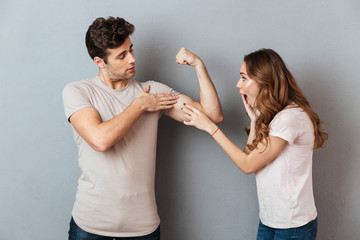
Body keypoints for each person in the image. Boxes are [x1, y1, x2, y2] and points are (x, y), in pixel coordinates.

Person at [62, 16, 223, 240]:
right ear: (100, 62)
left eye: (131, 49)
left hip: (143, 229)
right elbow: (100, 140)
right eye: (122, 55)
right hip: (90, 227)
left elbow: (212, 115)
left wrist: (199, 66)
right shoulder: (78, 91)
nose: (132, 59)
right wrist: (139, 105)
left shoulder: (153, 91)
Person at [182, 48, 328, 240]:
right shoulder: (277, 117)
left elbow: (248, 165)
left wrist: (210, 128)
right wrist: (254, 120)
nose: (238, 84)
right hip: (270, 221)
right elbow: (247, 155)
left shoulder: (289, 118)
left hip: (292, 227)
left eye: (244, 78)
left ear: (263, 81)